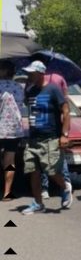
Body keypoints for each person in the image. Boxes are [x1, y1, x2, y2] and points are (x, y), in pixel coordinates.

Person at [21, 61, 73, 215]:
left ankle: (65, 187)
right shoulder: (30, 91)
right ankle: (38, 203)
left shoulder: (53, 89)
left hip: (50, 138)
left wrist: (64, 135)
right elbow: (27, 104)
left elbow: (66, 111)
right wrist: (26, 87)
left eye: (32, 73)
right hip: (33, 139)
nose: (29, 75)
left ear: (41, 73)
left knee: (51, 172)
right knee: (33, 171)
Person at [39, 71, 72, 199]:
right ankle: (65, 185)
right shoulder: (60, 78)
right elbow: (65, 101)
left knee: (46, 159)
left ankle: (46, 187)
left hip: (51, 127)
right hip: (58, 125)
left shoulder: (38, 83)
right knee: (59, 159)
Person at [0, 60, 25, 201]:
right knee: (10, 160)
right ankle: (7, 192)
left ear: (4, 71)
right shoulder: (19, 87)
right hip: (15, 129)